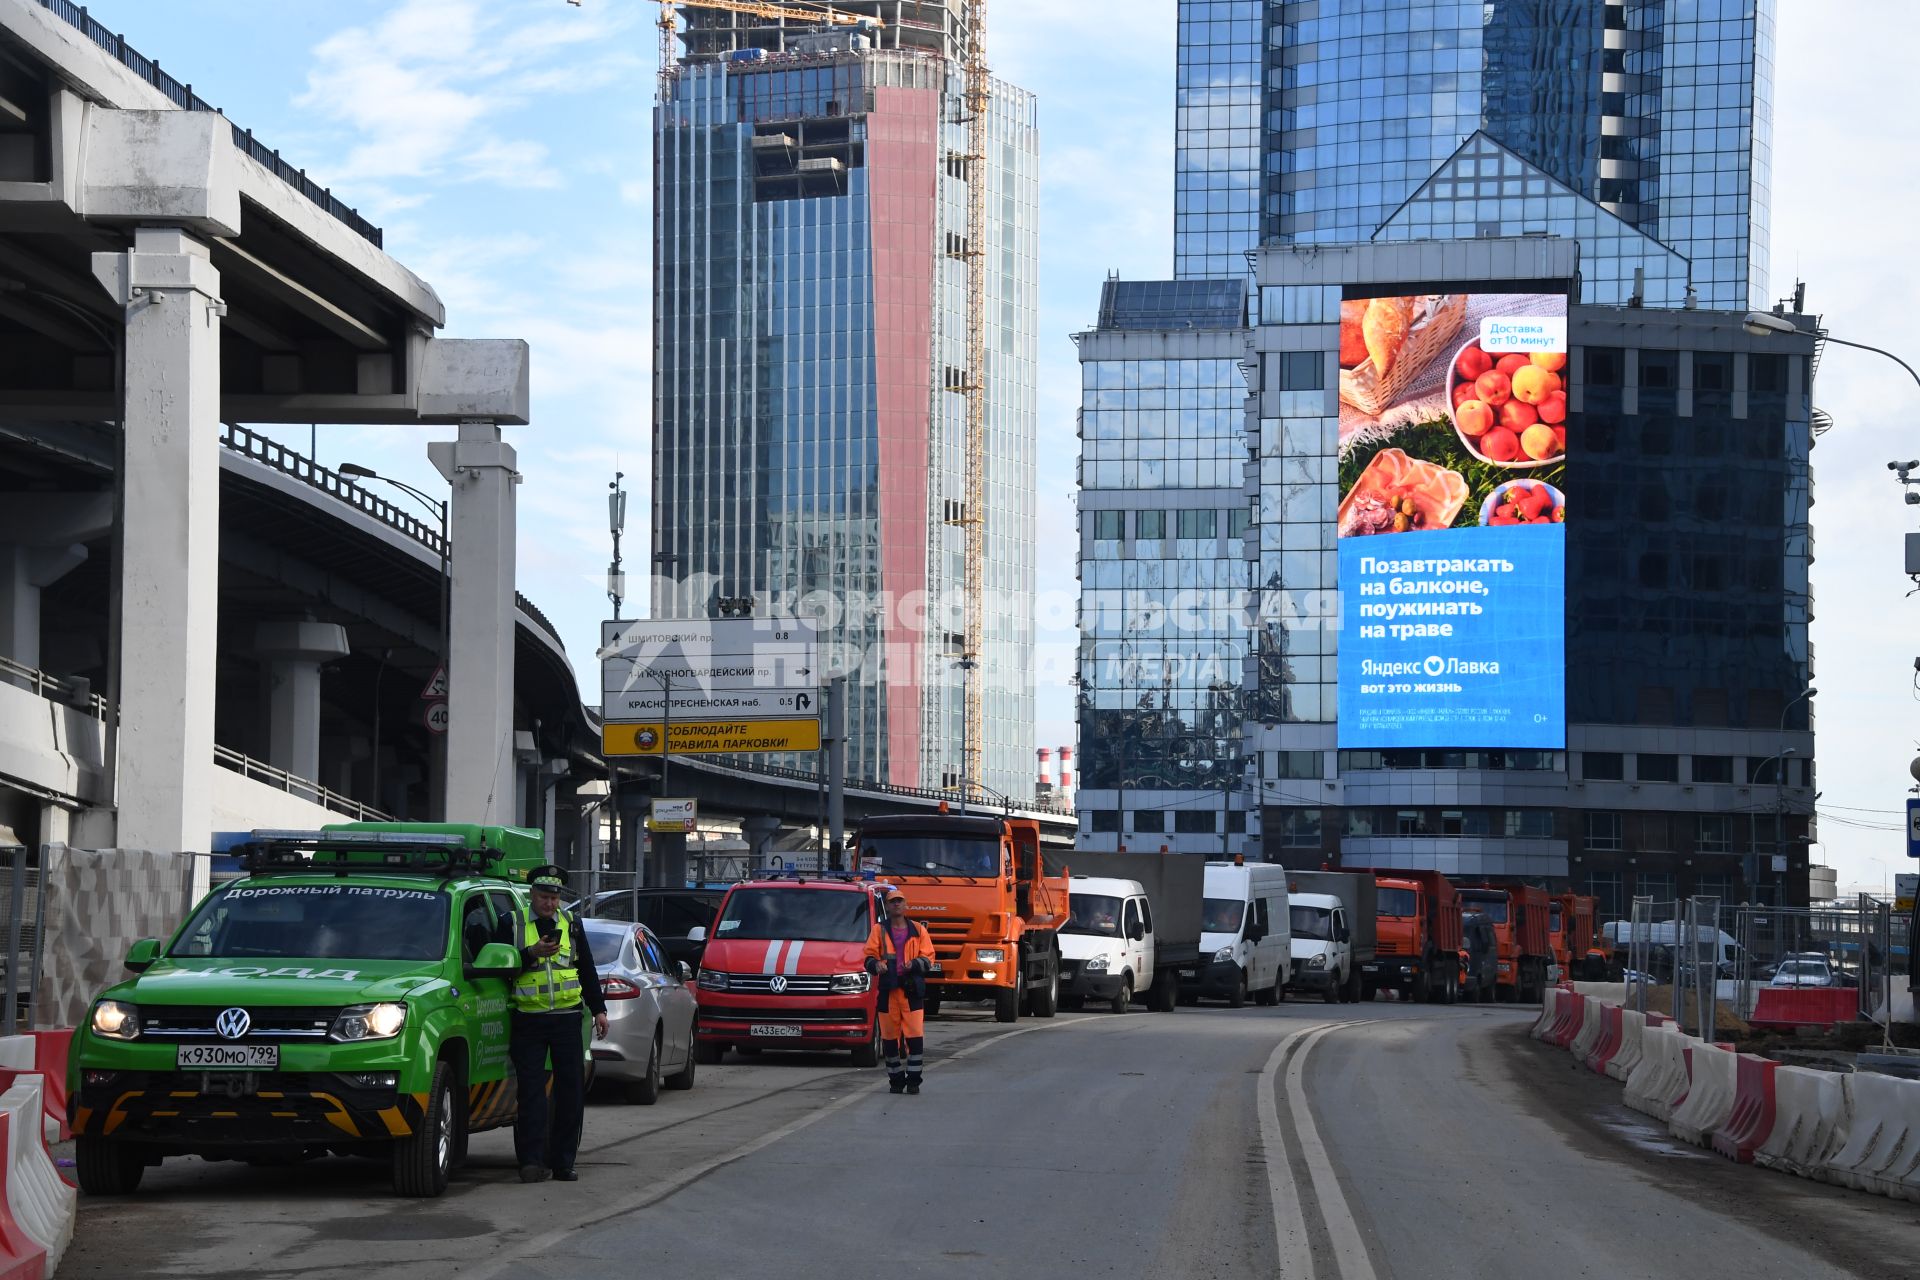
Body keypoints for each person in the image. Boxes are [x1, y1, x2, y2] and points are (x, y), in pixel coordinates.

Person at [510, 864, 609, 1183]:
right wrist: (530, 953)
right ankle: (530, 1162)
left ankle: (564, 1162)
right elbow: (501, 966)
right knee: (531, 1094)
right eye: (543, 897)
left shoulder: (572, 925)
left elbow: (587, 970)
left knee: (570, 1093)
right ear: (531, 895)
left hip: (567, 1019)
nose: (549, 904)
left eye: (554, 898)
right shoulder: (512, 924)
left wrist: (599, 1009)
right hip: (528, 1020)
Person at [863, 889, 935, 1095]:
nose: (896, 905)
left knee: (914, 1037)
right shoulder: (879, 930)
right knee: (889, 1039)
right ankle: (895, 1081)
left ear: (905, 905)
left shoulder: (918, 930)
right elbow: (868, 957)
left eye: (899, 901)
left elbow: (929, 958)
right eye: (892, 902)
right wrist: (876, 965)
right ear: (886, 906)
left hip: (911, 992)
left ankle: (913, 1082)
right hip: (888, 991)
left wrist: (914, 964)